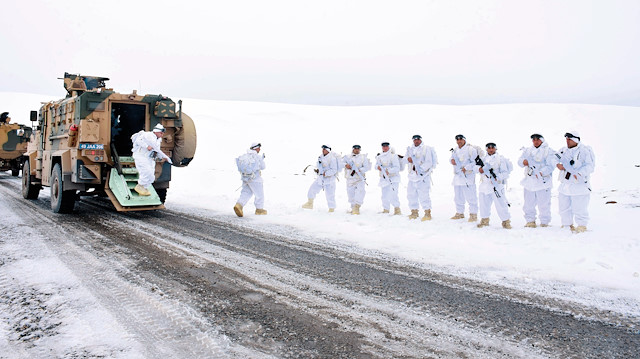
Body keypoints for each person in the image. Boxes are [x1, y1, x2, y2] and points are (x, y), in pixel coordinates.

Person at [556, 131, 595, 233]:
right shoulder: (563, 150)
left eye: (570, 139)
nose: (567, 141)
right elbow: (554, 158)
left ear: (576, 140)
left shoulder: (585, 150)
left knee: (579, 207)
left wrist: (579, 173)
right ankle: (566, 224)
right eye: (566, 139)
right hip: (565, 184)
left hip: (579, 185)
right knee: (563, 206)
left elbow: (590, 166)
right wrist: (558, 165)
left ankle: (582, 226)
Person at [518, 133, 557, 227]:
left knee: (544, 204)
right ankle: (530, 221)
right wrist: (523, 162)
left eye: (537, 139)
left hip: (542, 182)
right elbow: (519, 161)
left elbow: (551, 166)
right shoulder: (528, 151)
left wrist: (541, 172)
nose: (535, 141)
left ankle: (544, 222)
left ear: (542, 140)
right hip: (529, 182)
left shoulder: (548, 151)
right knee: (528, 203)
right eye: (534, 140)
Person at [476, 143, 513, 229]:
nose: (491, 149)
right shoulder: (483, 159)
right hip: (484, 185)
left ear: (495, 149)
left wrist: (497, 177)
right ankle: (484, 220)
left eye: (492, 148)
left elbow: (505, 173)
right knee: (483, 204)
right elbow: (475, 167)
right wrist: (479, 169)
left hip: (496, 186)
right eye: (489, 148)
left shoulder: (500, 159)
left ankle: (506, 221)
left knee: (501, 205)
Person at [131, 123, 172, 196]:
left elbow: (157, 149)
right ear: (156, 131)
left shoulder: (158, 139)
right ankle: (140, 186)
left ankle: (144, 188)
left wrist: (162, 157)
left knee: (151, 176)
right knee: (147, 171)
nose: (162, 135)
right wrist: (146, 146)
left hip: (149, 158)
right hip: (141, 156)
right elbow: (138, 140)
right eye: (161, 133)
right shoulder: (148, 135)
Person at [405, 135, 438, 220]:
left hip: (423, 176)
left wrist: (420, 169)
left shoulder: (425, 149)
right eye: (415, 140)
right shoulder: (410, 149)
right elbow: (405, 160)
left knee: (424, 195)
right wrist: (408, 160)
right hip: (412, 176)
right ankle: (414, 212)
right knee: (411, 195)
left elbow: (428, 162)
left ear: (420, 140)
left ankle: (427, 213)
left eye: (418, 140)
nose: (416, 141)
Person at [449, 134, 479, 221]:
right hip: (457, 176)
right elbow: (451, 159)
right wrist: (452, 161)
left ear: (464, 140)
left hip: (467, 176)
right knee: (458, 196)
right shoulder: (455, 150)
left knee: (471, 196)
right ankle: (459, 212)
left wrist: (466, 168)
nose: (459, 141)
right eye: (457, 140)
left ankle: (473, 214)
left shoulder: (471, 149)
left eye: (461, 139)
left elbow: (475, 162)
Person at [302, 145, 339, 212]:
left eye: (324, 149)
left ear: (328, 150)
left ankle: (331, 209)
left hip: (329, 180)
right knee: (312, 189)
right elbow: (319, 166)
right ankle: (310, 203)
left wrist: (326, 173)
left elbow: (334, 170)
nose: (323, 150)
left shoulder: (332, 159)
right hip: (321, 178)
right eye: (322, 149)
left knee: (330, 195)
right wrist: (317, 170)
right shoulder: (320, 157)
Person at [233, 142, 267, 217]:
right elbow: (263, 167)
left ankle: (239, 205)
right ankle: (259, 209)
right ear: (256, 148)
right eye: (259, 148)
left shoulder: (245, 156)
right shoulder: (257, 157)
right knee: (259, 194)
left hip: (245, 178)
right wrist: (262, 159)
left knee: (246, 192)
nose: (259, 149)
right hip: (255, 179)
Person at [375, 142, 402, 215]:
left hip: (393, 178)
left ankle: (397, 209)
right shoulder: (379, 157)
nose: (385, 148)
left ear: (389, 147)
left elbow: (397, 167)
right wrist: (377, 167)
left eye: (386, 146)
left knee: (393, 194)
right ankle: (386, 209)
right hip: (383, 179)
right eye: (383, 146)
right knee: (384, 195)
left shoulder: (393, 156)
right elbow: (376, 165)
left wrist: (388, 171)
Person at [343, 144, 371, 215]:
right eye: (355, 148)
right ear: (353, 149)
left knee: (360, 192)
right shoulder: (347, 157)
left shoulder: (363, 157)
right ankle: (353, 208)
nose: (357, 150)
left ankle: (357, 207)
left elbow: (366, 167)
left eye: (358, 148)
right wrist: (346, 165)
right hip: (350, 179)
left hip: (359, 178)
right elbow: (341, 163)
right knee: (350, 194)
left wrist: (358, 170)